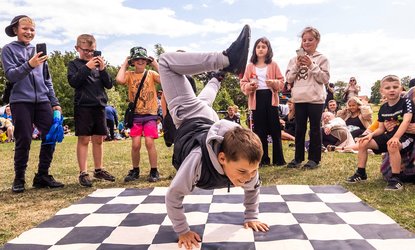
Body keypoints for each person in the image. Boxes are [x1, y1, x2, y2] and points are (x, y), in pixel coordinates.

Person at [159, 25, 269, 249]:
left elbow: (253, 191)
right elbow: (173, 197)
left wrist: (251, 216)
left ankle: (216, 77)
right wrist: (183, 230)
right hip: (192, 117)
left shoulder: (247, 167)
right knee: (165, 62)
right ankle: (226, 60)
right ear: (221, 158)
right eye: (242, 172)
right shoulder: (197, 161)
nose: (248, 178)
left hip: (207, 118)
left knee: (204, 102)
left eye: (252, 171)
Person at [1, 15, 64, 193]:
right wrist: (30, 64)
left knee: (51, 135)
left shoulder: (38, 51)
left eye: (32, 30)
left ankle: (42, 175)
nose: (29, 32)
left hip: (43, 100)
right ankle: (19, 178)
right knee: (24, 138)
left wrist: (54, 102)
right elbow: (11, 75)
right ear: (15, 30)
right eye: (25, 29)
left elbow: (47, 80)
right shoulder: (8, 50)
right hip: (21, 101)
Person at [347, 75, 415, 190]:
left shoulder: (406, 102)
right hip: (389, 135)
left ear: (401, 88)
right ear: (382, 91)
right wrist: (369, 135)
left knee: (392, 144)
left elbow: (407, 120)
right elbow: (381, 129)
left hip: (406, 137)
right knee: (363, 142)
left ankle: (395, 179)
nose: (392, 90)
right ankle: (361, 173)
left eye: (395, 87)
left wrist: (396, 137)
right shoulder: (383, 108)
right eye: (388, 88)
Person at [67, 34, 115, 187]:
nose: (89, 54)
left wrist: (103, 69)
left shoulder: (99, 65)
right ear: (77, 49)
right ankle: (83, 172)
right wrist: (86, 67)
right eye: (86, 50)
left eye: (92, 50)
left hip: (99, 105)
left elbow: (109, 84)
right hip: (83, 106)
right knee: (84, 139)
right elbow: (74, 82)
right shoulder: (74, 64)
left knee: (99, 139)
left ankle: (99, 169)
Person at [285, 26, 330, 169]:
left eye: (310, 39)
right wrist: (297, 66)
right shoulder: (294, 59)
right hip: (299, 98)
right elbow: (288, 78)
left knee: (315, 128)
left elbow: (325, 78)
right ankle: (298, 158)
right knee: (299, 129)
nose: (307, 42)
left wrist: (312, 65)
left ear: (317, 41)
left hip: (316, 98)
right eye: (304, 40)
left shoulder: (322, 58)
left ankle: (314, 159)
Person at [116, 46, 161, 183]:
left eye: (143, 59)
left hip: (150, 114)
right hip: (136, 115)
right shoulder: (129, 75)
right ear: (132, 62)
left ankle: (154, 170)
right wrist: (124, 64)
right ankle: (135, 169)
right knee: (135, 144)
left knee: (149, 142)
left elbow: (166, 79)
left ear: (146, 61)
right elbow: (119, 80)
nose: (140, 62)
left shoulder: (151, 74)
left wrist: (156, 64)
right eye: (137, 59)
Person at [240, 37, 286, 166]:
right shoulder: (250, 66)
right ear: (255, 50)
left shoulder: (273, 64)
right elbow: (243, 83)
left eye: (263, 47)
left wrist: (273, 83)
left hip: (271, 99)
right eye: (258, 47)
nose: (260, 49)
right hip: (256, 98)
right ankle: (263, 159)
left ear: (268, 49)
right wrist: (250, 86)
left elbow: (282, 82)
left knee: (275, 128)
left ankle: (278, 160)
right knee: (260, 130)